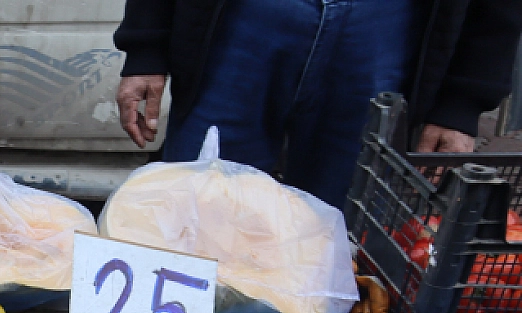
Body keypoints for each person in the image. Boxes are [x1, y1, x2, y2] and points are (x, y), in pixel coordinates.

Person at [112, 0, 521, 208]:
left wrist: (462, 100)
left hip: (384, 26)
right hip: (245, 21)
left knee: (341, 240)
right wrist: (146, 46)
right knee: (194, 213)